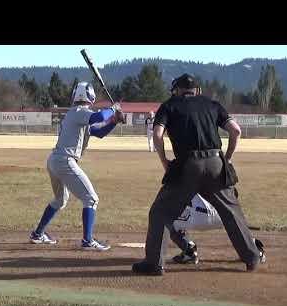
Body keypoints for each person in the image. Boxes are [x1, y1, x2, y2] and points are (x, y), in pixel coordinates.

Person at [132, 73, 266, 275]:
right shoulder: (212, 104)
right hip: (215, 162)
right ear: (197, 91)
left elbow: (158, 135)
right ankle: (252, 256)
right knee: (231, 213)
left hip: (187, 165)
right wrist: (227, 158)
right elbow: (236, 130)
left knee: (161, 212)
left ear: (176, 90)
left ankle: (154, 263)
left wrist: (164, 161)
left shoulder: (170, 105)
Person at [29, 81, 125, 250]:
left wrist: (114, 121)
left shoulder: (77, 114)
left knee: (60, 200)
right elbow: (99, 117)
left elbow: (99, 132)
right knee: (91, 199)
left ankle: (37, 234)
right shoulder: (80, 112)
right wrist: (113, 109)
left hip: (55, 160)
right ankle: (87, 241)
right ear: (91, 96)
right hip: (65, 160)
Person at [169, 193, 266, 265]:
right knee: (233, 226)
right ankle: (254, 250)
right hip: (224, 212)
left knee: (166, 220)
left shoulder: (185, 169)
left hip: (198, 216)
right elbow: (234, 193)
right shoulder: (219, 168)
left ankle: (189, 251)